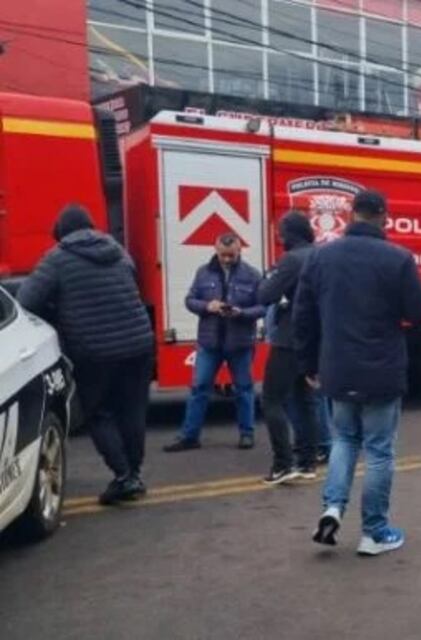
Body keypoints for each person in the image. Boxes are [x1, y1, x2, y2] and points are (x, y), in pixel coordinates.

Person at [294, 189, 421, 556]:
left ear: (353, 214)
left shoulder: (321, 258)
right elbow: (420, 311)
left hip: (336, 368)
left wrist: (308, 364)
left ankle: (332, 507)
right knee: (379, 451)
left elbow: (302, 317)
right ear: (384, 216)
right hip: (381, 370)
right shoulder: (398, 258)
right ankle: (374, 532)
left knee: (343, 440)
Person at [17, 205, 154, 505]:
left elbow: (26, 301)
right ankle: (135, 472)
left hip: (94, 350)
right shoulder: (119, 251)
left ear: (60, 232)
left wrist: (56, 311)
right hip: (138, 343)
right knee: (132, 411)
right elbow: (134, 284)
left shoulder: (57, 260)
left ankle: (124, 477)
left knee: (98, 412)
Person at [164, 233, 264, 452]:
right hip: (210, 342)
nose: (226, 259)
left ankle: (247, 434)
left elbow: (263, 307)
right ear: (215, 250)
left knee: (244, 389)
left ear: (239, 251)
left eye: (231, 255)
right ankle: (189, 436)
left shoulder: (253, 275)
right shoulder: (203, 272)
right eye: (222, 255)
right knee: (199, 388)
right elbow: (190, 300)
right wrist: (207, 306)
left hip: (239, 343)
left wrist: (241, 312)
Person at [257, 211, 320, 484]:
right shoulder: (319, 255)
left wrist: (270, 276)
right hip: (313, 338)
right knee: (304, 400)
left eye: (282, 232)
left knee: (272, 399)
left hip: (288, 338)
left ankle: (282, 464)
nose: (279, 236)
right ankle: (307, 462)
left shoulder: (291, 259)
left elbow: (266, 295)